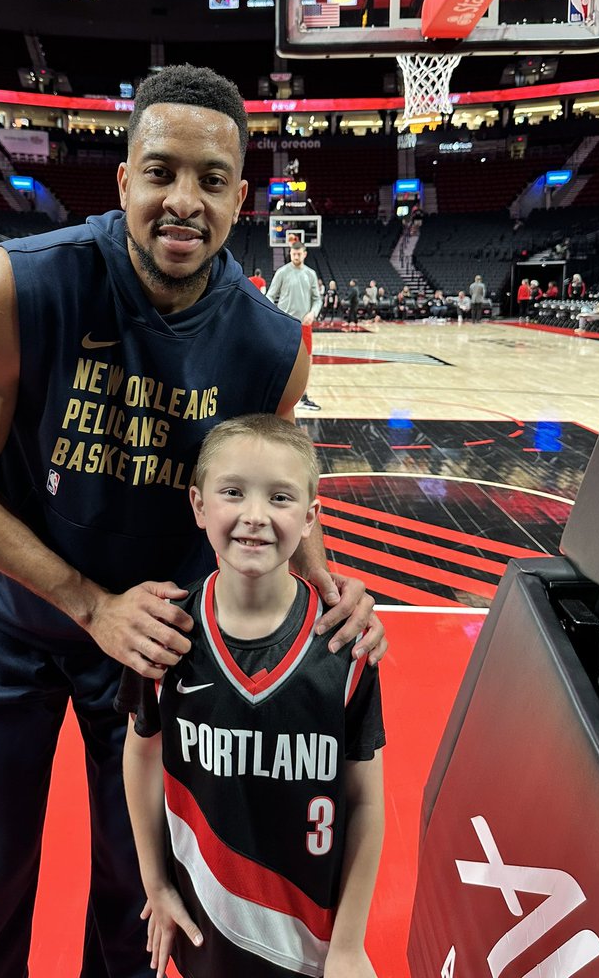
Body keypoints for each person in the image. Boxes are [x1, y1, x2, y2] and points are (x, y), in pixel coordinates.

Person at [0, 64, 385, 978]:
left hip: (157, 649)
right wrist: (90, 605)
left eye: (211, 181)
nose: (184, 201)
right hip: (11, 629)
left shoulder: (267, 342)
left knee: (138, 888)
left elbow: (273, 486)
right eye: (161, 172)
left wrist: (335, 591)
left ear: (240, 197)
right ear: (123, 179)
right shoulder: (20, 286)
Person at [120, 415, 385, 978]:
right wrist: (156, 882)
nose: (255, 515)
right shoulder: (165, 635)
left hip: (310, 939)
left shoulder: (345, 647)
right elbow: (141, 754)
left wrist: (349, 944)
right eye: (233, 491)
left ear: (311, 517)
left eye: (281, 497)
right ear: (198, 504)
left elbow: (365, 801)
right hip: (205, 923)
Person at [266, 243, 323, 411]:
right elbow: (270, 295)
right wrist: (274, 315)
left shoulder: (310, 274)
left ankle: (303, 397)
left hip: (304, 325)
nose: (296, 256)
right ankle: (278, 396)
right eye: (293, 254)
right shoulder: (282, 272)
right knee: (281, 359)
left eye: (298, 254)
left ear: (304, 254)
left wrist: (313, 313)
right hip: (284, 324)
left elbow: (317, 299)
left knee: (306, 361)